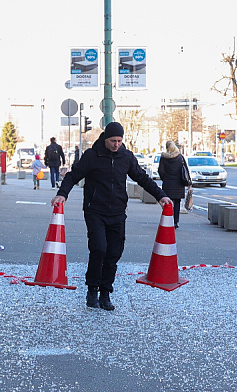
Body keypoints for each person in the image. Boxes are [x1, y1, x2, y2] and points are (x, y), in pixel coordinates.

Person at [50, 122, 171, 311]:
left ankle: (105, 292)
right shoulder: (92, 155)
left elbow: (142, 178)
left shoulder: (126, 157)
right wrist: (62, 194)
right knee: (99, 249)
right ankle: (92, 290)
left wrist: (161, 195)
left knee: (114, 253)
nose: (116, 144)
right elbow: (73, 176)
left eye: (120, 141)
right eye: (113, 141)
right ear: (106, 139)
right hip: (95, 210)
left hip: (117, 213)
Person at [157, 140, 189, 229]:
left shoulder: (164, 157)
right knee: (177, 203)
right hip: (179, 184)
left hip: (168, 183)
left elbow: (161, 171)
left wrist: (165, 178)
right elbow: (185, 169)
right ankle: (175, 222)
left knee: (168, 203)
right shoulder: (180, 157)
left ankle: (168, 220)